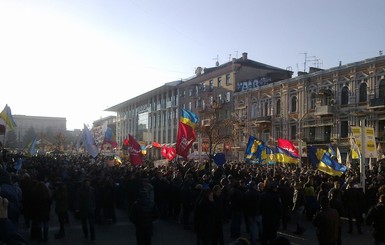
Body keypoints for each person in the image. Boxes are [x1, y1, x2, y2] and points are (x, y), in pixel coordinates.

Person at [129, 171, 157, 245]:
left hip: (139, 227)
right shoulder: (151, 204)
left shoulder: (136, 204)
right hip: (148, 226)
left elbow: (131, 217)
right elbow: (156, 214)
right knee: (148, 241)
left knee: (140, 241)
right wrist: (150, 220)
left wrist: (137, 222)